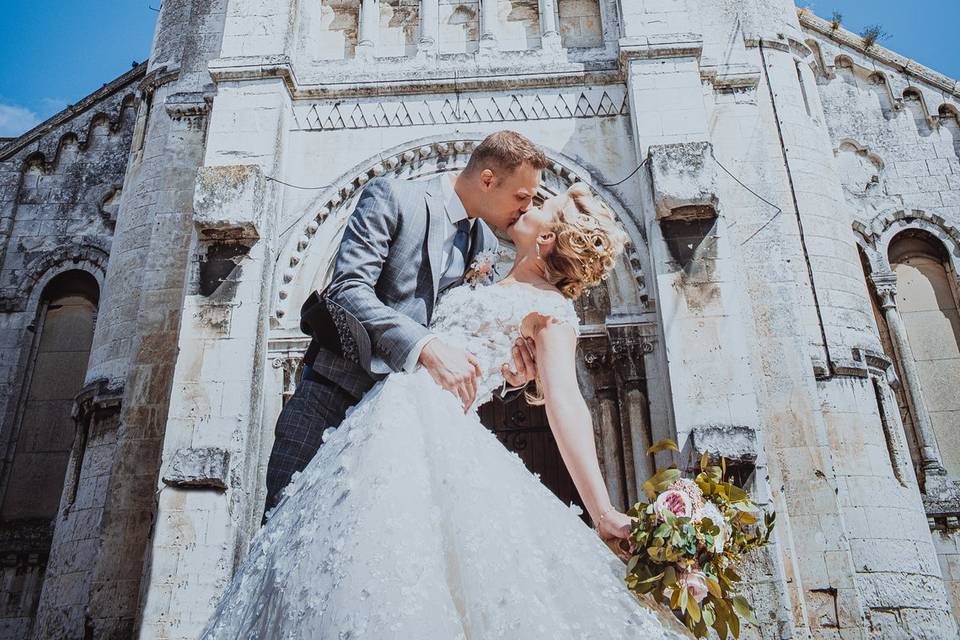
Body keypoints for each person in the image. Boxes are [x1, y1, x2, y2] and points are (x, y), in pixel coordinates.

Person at [201, 180, 690, 639]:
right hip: (380, 418)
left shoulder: (552, 314)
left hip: (425, 429)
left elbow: (566, 403)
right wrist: (510, 372)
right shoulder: (490, 274)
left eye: (542, 207)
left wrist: (601, 509)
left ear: (549, 240)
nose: (526, 206)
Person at [264, 131, 545, 516]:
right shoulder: (392, 197)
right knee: (284, 531)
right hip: (329, 400)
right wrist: (425, 347)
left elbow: (465, 332)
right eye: (522, 196)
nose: (527, 209)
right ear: (487, 179)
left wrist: (509, 378)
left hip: (403, 429)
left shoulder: (483, 240)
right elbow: (347, 288)